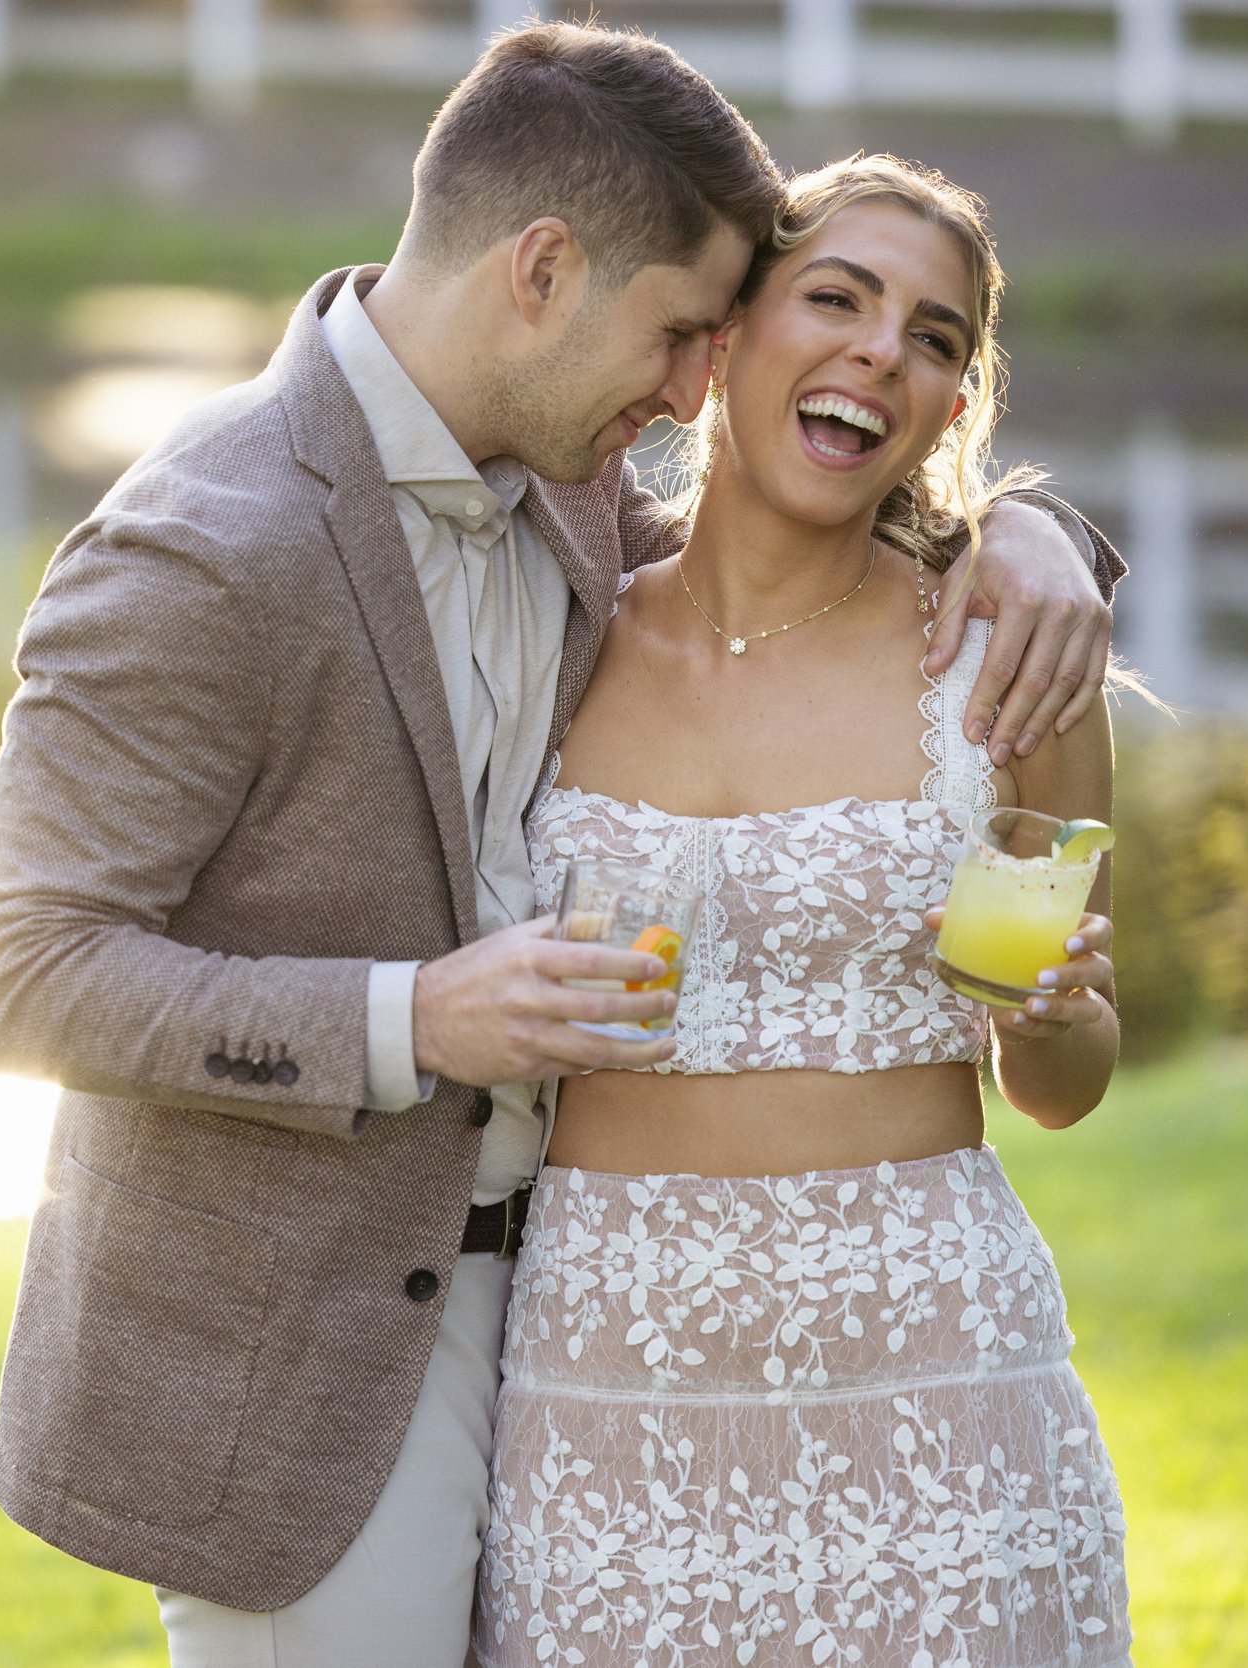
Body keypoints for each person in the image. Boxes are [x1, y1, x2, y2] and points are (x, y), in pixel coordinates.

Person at [0, 26, 1126, 1668]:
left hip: (749, 1321)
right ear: (546, 272)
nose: (679, 393)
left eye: (929, 334)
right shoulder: (201, 549)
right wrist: (416, 1016)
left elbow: (792, 565)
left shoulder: (574, 509)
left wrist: (1044, 526)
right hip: (360, 1330)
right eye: (681, 336)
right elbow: (17, 977)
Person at [471, 154, 1129, 1668]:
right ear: (727, 340)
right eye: (835, 298)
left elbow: (1061, 1087)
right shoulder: (554, 631)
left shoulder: (1007, 663)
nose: (880, 353)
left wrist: (1068, 1016)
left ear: (950, 408)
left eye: (935, 337)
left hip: (936, 1375)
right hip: (611, 1369)